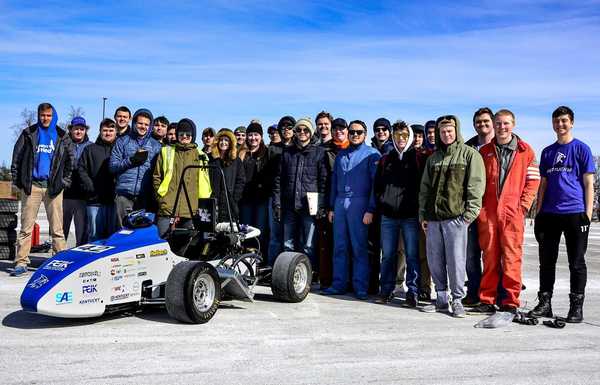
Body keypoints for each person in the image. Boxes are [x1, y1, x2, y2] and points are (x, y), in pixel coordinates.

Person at [530, 106, 595, 323]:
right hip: (549, 214)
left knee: (576, 262)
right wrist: (538, 213)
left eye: (564, 121)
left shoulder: (581, 149)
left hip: (575, 214)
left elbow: (588, 183)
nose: (560, 125)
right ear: (552, 124)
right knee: (546, 262)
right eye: (557, 121)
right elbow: (543, 185)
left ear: (572, 122)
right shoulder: (548, 152)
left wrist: (587, 213)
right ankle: (544, 302)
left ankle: (576, 306)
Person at [472, 109, 540, 316]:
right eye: (499, 123)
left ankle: (510, 300)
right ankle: (487, 298)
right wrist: (480, 210)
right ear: (494, 125)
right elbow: (477, 182)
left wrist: (523, 207)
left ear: (513, 124)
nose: (502, 127)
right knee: (490, 256)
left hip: (513, 212)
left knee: (512, 256)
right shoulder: (484, 152)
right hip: (489, 211)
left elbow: (533, 181)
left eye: (506, 123)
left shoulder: (525, 151)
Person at [419, 115, 485, 317]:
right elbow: (425, 189)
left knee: (456, 260)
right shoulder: (434, 158)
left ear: (456, 131)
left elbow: (476, 186)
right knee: (435, 259)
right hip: (433, 218)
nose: (446, 134)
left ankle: (457, 299)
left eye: (450, 131)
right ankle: (441, 297)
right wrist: (423, 214)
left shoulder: (469, 155)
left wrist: (469, 214)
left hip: (456, 218)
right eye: (442, 131)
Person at [10, 103, 73, 276]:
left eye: (48, 115)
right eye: (42, 115)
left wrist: (64, 182)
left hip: (53, 188)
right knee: (26, 228)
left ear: (53, 116)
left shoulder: (62, 136)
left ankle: (59, 261)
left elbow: (70, 161)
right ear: (38, 115)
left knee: (57, 229)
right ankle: (21, 262)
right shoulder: (29, 133)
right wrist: (20, 182)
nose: (45, 118)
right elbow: (16, 158)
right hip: (33, 187)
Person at [322, 120, 380, 300]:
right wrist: (331, 207)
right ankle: (338, 284)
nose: (355, 135)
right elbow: (334, 182)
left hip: (360, 203)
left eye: (359, 132)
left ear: (365, 133)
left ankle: (360, 286)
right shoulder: (341, 155)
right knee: (339, 246)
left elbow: (375, 186)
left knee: (359, 247)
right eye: (352, 132)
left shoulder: (372, 155)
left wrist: (371, 209)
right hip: (340, 202)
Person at [374, 121, 422, 307]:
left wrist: (417, 209)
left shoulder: (417, 158)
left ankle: (413, 292)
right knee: (387, 255)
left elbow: (422, 187)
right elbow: (377, 186)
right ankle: (386, 291)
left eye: (404, 135)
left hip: (410, 216)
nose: (400, 139)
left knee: (411, 254)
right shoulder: (386, 159)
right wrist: (383, 202)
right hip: (388, 216)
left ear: (409, 136)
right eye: (397, 135)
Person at [272, 118, 327, 272]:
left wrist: (320, 205)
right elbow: (278, 181)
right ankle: (287, 274)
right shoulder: (287, 153)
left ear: (311, 132)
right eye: (299, 130)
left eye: (306, 130)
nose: (302, 133)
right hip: (289, 205)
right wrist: (277, 204)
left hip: (309, 206)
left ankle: (307, 274)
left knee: (308, 244)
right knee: (287, 244)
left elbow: (323, 182)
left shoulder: (319, 153)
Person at [153, 118, 211, 238]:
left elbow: (204, 183)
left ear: (193, 135)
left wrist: (200, 205)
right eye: (181, 134)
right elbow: (157, 176)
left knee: (184, 244)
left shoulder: (201, 155)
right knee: (161, 241)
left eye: (188, 134)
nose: (184, 136)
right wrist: (161, 199)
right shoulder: (166, 151)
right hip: (167, 206)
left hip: (190, 208)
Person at [463, 107, 496, 306]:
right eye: (478, 122)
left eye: (485, 121)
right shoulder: (469, 147)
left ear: (492, 122)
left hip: (493, 209)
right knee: (470, 253)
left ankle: (492, 293)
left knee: (492, 253)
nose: (482, 125)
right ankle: (474, 291)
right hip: (471, 208)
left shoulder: (500, 145)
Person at [109, 108, 162, 228]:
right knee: (121, 231)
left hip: (144, 197)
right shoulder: (122, 141)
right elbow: (112, 166)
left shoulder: (156, 146)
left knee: (140, 233)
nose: (143, 127)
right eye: (140, 123)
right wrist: (131, 160)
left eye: (146, 124)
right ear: (134, 123)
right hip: (124, 195)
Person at [317, 116, 349, 288]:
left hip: (348, 203)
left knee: (347, 244)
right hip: (329, 201)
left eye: (341, 128)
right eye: (335, 128)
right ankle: (327, 280)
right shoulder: (323, 150)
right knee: (327, 244)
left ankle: (347, 280)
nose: (338, 131)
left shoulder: (353, 149)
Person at [78, 118, 118, 241]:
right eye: (105, 130)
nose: (108, 133)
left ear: (115, 132)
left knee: (113, 236)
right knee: (94, 234)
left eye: (111, 130)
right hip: (94, 201)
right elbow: (81, 170)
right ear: (100, 131)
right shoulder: (90, 149)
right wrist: (90, 187)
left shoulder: (119, 149)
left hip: (113, 201)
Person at [266, 116, 295, 263]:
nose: (286, 130)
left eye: (289, 127)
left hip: (292, 197)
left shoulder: (297, 147)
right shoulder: (273, 149)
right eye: (283, 128)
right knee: (275, 235)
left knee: (289, 237)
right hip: (274, 195)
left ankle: (286, 269)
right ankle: (272, 267)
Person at [239, 121, 270, 253]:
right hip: (245, 199)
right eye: (250, 135)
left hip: (261, 199)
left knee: (259, 230)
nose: (253, 138)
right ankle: (246, 257)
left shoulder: (267, 153)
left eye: (256, 135)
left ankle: (259, 258)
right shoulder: (241, 154)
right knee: (246, 231)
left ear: (261, 137)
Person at [411, 123, 433, 300]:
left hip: (426, 210)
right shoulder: (408, 155)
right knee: (407, 252)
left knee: (425, 253)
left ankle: (425, 287)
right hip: (408, 210)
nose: (418, 139)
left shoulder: (429, 156)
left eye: (421, 136)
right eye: (415, 136)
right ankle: (410, 286)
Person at [63, 116, 92, 246]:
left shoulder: (90, 146)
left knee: (82, 231)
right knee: (61, 229)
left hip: (82, 196)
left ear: (85, 130)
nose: (79, 132)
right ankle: (59, 254)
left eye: (82, 129)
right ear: (71, 130)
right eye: (76, 129)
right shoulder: (63, 144)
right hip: (65, 194)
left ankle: (79, 257)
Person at [208, 129, 246, 223]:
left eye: (226, 140)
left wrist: (235, 198)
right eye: (221, 140)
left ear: (231, 143)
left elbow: (241, 181)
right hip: (213, 202)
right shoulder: (211, 160)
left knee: (228, 232)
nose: (223, 142)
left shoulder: (236, 161)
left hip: (230, 204)